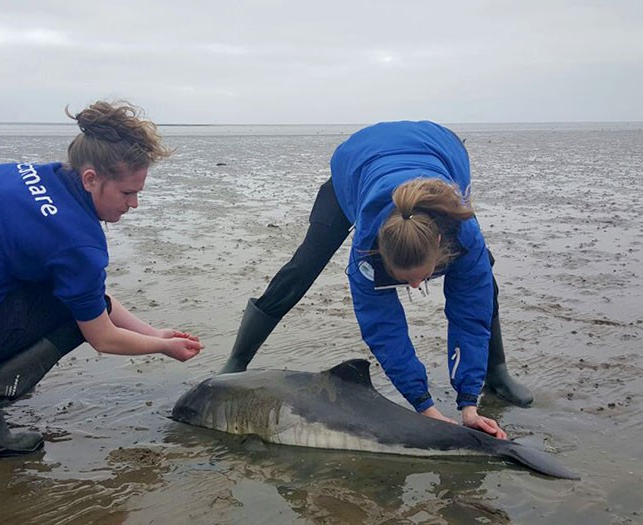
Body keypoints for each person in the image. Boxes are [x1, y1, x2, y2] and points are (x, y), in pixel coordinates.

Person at [0, 100, 203, 457]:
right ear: (91, 179)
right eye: (127, 193)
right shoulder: (78, 241)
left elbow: (92, 295)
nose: (133, 204)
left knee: (55, 292)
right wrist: (163, 347)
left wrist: (152, 332)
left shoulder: (22, 174)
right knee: (71, 314)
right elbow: (102, 337)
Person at [220, 120, 533, 438]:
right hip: (355, 168)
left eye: (421, 278)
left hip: (439, 153)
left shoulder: (463, 235)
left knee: (481, 278)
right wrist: (424, 405)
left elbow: (470, 312)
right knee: (302, 268)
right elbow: (383, 328)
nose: (414, 287)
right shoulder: (365, 247)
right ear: (379, 253)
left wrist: (468, 404)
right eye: (405, 280)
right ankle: (236, 361)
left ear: (440, 243)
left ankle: (495, 372)